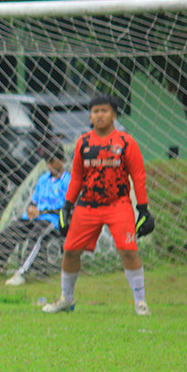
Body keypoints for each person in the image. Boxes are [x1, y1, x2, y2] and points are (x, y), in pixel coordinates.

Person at [43, 94, 155, 316]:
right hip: (87, 206)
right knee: (70, 251)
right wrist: (66, 206)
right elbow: (76, 178)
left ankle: (140, 302)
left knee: (128, 251)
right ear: (90, 116)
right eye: (95, 111)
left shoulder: (126, 142)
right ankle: (67, 299)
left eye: (104, 110)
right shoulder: (83, 142)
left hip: (118, 204)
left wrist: (143, 209)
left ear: (113, 115)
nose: (100, 115)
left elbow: (138, 176)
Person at [0, 144, 71, 286]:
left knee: (36, 235)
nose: (49, 165)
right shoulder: (43, 179)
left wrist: (42, 212)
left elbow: (66, 208)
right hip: (37, 217)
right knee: (10, 231)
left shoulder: (68, 181)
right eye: (47, 161)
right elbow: (34, 201)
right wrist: (31, 209)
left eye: (52, 161)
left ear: (62, 159)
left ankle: (22, 274)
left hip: (53, 220)